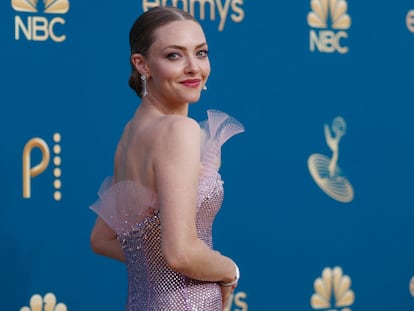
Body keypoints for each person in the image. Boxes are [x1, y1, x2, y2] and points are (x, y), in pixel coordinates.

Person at [89, 6, 244, 311]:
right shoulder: (178, 131)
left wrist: (154, 268)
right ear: (142, 64)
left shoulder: (131, 134)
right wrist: (229, 270)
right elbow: (181, 253)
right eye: (174, 55)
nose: (193, 68)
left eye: (200, 53)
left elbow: (101, 239)